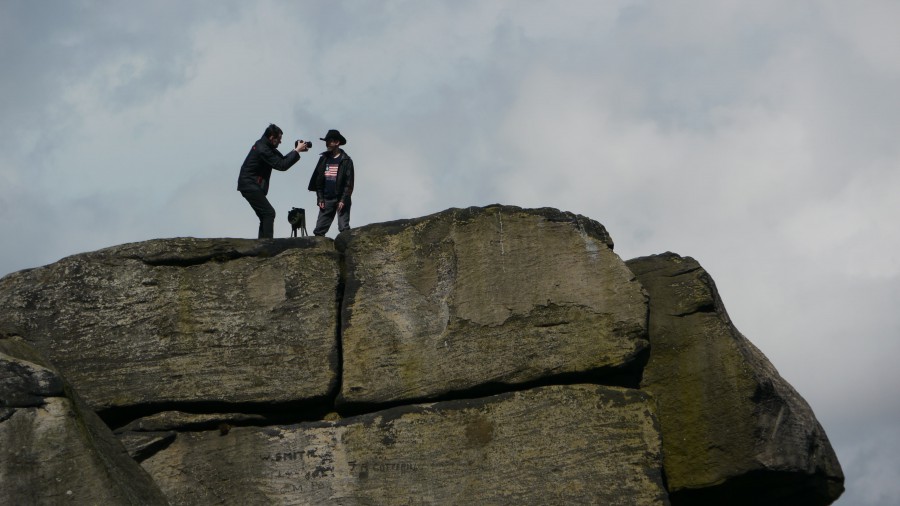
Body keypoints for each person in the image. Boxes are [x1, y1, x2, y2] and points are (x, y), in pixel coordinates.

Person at [237, 124, 309, 238]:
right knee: (269, 213)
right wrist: (296, 151)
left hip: (250, 184)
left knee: (264, 215)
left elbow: (282, 160)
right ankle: (268, 245)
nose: (280, 142)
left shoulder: (265, 146)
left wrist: (296, 151)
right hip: (249, 185)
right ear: (271, 137)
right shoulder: (263, 149)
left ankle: (262, 245)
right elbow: (282, 165)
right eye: (279, 139)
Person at [309, 129, 354, 236]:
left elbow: (349, 183)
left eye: (329, 141)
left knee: (344, 229)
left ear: (337, 142)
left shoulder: (346, 160)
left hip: (341, 200)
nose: (327, 144)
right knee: (319, 231)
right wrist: (320, 198)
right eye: (326, 141)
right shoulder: (324, 158)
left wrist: (343, 200)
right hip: (326, 199)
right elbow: (318, 181)